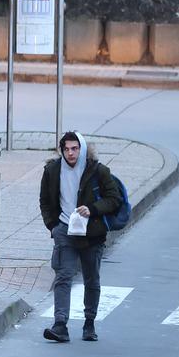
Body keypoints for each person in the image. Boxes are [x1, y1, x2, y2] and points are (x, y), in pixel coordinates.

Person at [38, 131, 121, 342]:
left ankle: (89, 322)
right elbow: (45, 201)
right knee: (63, 276)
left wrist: (92, 209)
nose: (70, 153)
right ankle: (60, 325)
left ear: (82, 148)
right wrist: (53, 226)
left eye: (74, 148)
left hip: (91, 234)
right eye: (66, 149)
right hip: (65, 231)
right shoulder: (52, 170)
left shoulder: (98, 171)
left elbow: (114, 199)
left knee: (91, 279)